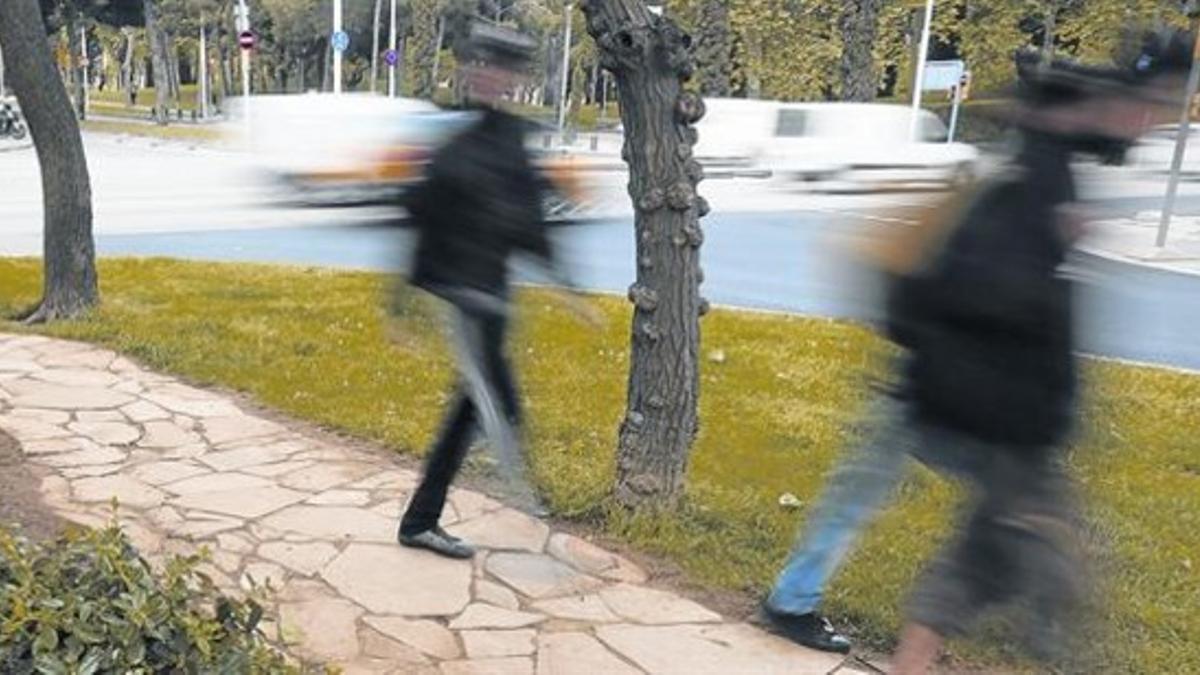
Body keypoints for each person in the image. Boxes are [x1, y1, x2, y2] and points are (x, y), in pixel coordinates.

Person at [760, 31, 1191, 656]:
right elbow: (988, 287)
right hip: (941, 369)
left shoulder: (1056, 156)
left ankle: (815, 601)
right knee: (979, 503)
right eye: (1150, 109)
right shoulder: (1040, 174)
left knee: (917, 491)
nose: (1148, 126)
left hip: (947, 367)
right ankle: (808, 601)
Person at [395, 22, 589, 560]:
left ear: (512, 78)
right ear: (468, 72)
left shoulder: (511, 139)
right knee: (491, 408)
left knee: (482, 409)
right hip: (466, 298)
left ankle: (422, 519)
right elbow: (420, 217)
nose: (485, 74)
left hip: (494, 296)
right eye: (478, 64)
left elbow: (530, 218)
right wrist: (401, 302)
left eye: (497, 67)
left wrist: (568, 286)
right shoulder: (454, 143)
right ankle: (523, 514)